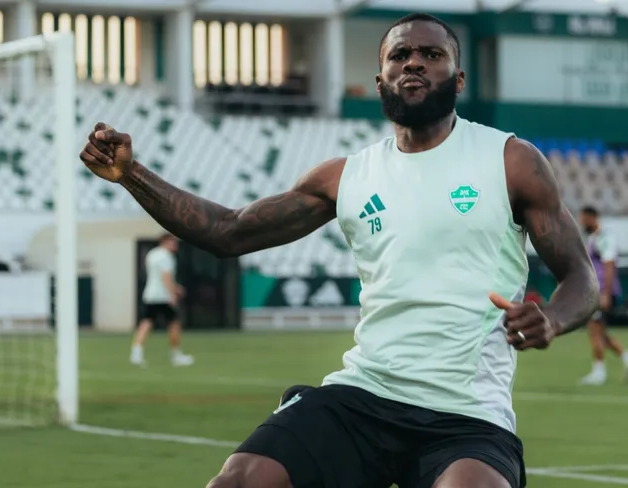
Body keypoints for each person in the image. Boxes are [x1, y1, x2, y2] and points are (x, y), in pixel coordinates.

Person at [79, 12, 599, 488]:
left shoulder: (510, 160)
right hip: (364, 395)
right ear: (380, 81)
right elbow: (227, 231)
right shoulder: (346, 177)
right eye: (399, 55)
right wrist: (131, 174)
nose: (414, 62)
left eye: (432, 54)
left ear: (459, 79)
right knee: (240, 480)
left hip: (466, 413)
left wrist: (551, 320)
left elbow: (582, 278)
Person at [577, 206, 628, 385]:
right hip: (595, 290)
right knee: (600, 331)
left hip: (601, 291)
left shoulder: (605, 238)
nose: (581, 223)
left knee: (594, 330)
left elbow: (609, 265)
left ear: (592, 217)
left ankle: (599, 372)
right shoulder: (593, 238)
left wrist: (605, 293)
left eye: (583, 219)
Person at [130, 233, 194, 367]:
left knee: (146, 323)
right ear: (166, 242)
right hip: (162, 296)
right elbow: (166, 277)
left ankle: (136, 354)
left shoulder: (152, 254)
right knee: (174, 324)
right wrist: (172, 294)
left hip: (150, 294)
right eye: (173, 242)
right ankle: (176, 356)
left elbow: (157, 276)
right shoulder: (166, 256)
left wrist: (175, 288)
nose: (175, 245)